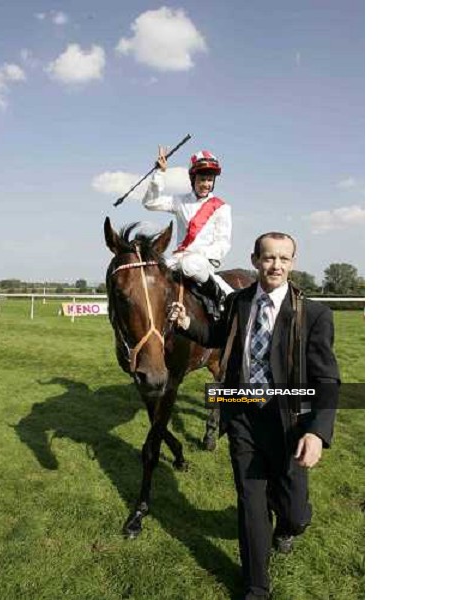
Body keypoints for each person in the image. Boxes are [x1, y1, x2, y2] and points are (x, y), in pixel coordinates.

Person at [168, 232, 340, 600]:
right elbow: (216, 335)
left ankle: (292, 523)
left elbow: (327, 378)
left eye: (283, 258)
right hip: (244, 416)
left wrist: (317, 432)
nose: (275, 265)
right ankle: (256, 587)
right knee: (251, 503)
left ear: (292, 262)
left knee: (293, 512)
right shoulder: (238, 302)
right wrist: (186, 324)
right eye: (268, 258)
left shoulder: (314, 314)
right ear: (254, 259)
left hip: (290, 423)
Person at [142, 146, 233, 313]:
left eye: (209, 180)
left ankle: (221, 295)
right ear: (193, 179)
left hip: (202, 263)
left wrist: (199, 254)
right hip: (177, 260)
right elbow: (150, 203)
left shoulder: (222, 207)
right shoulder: (180, 201)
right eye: (202, 179)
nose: (206, 184)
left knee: (190, 264)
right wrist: (160, 174)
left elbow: (223, 243)